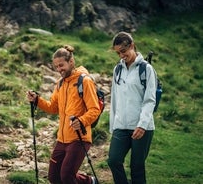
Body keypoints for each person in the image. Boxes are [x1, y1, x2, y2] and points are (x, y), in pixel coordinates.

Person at [27, 45, 100, 184]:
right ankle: (90, 181)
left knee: (66, 177)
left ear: (71, 62)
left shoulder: (85, 81)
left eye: (61, 65)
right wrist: (37, 100)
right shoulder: (60, 83)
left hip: (79, 138)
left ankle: (89, 182)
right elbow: (53, 107)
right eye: (56, 67)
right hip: (62, 138)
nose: (59, 69)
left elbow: (94, 109)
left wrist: (82, 120)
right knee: (54, 177)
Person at [108, 32, 156, 184]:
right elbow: (114, 99)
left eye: (123, 51)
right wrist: (113, 126)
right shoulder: (117, 70)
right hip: (121, 126)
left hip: (142, 127)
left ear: (132, 46)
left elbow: (150, 100)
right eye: (118, 53)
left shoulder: (146, 69)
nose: (121, 55)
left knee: (137, 167)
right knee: (113, 160)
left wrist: (142, 125)